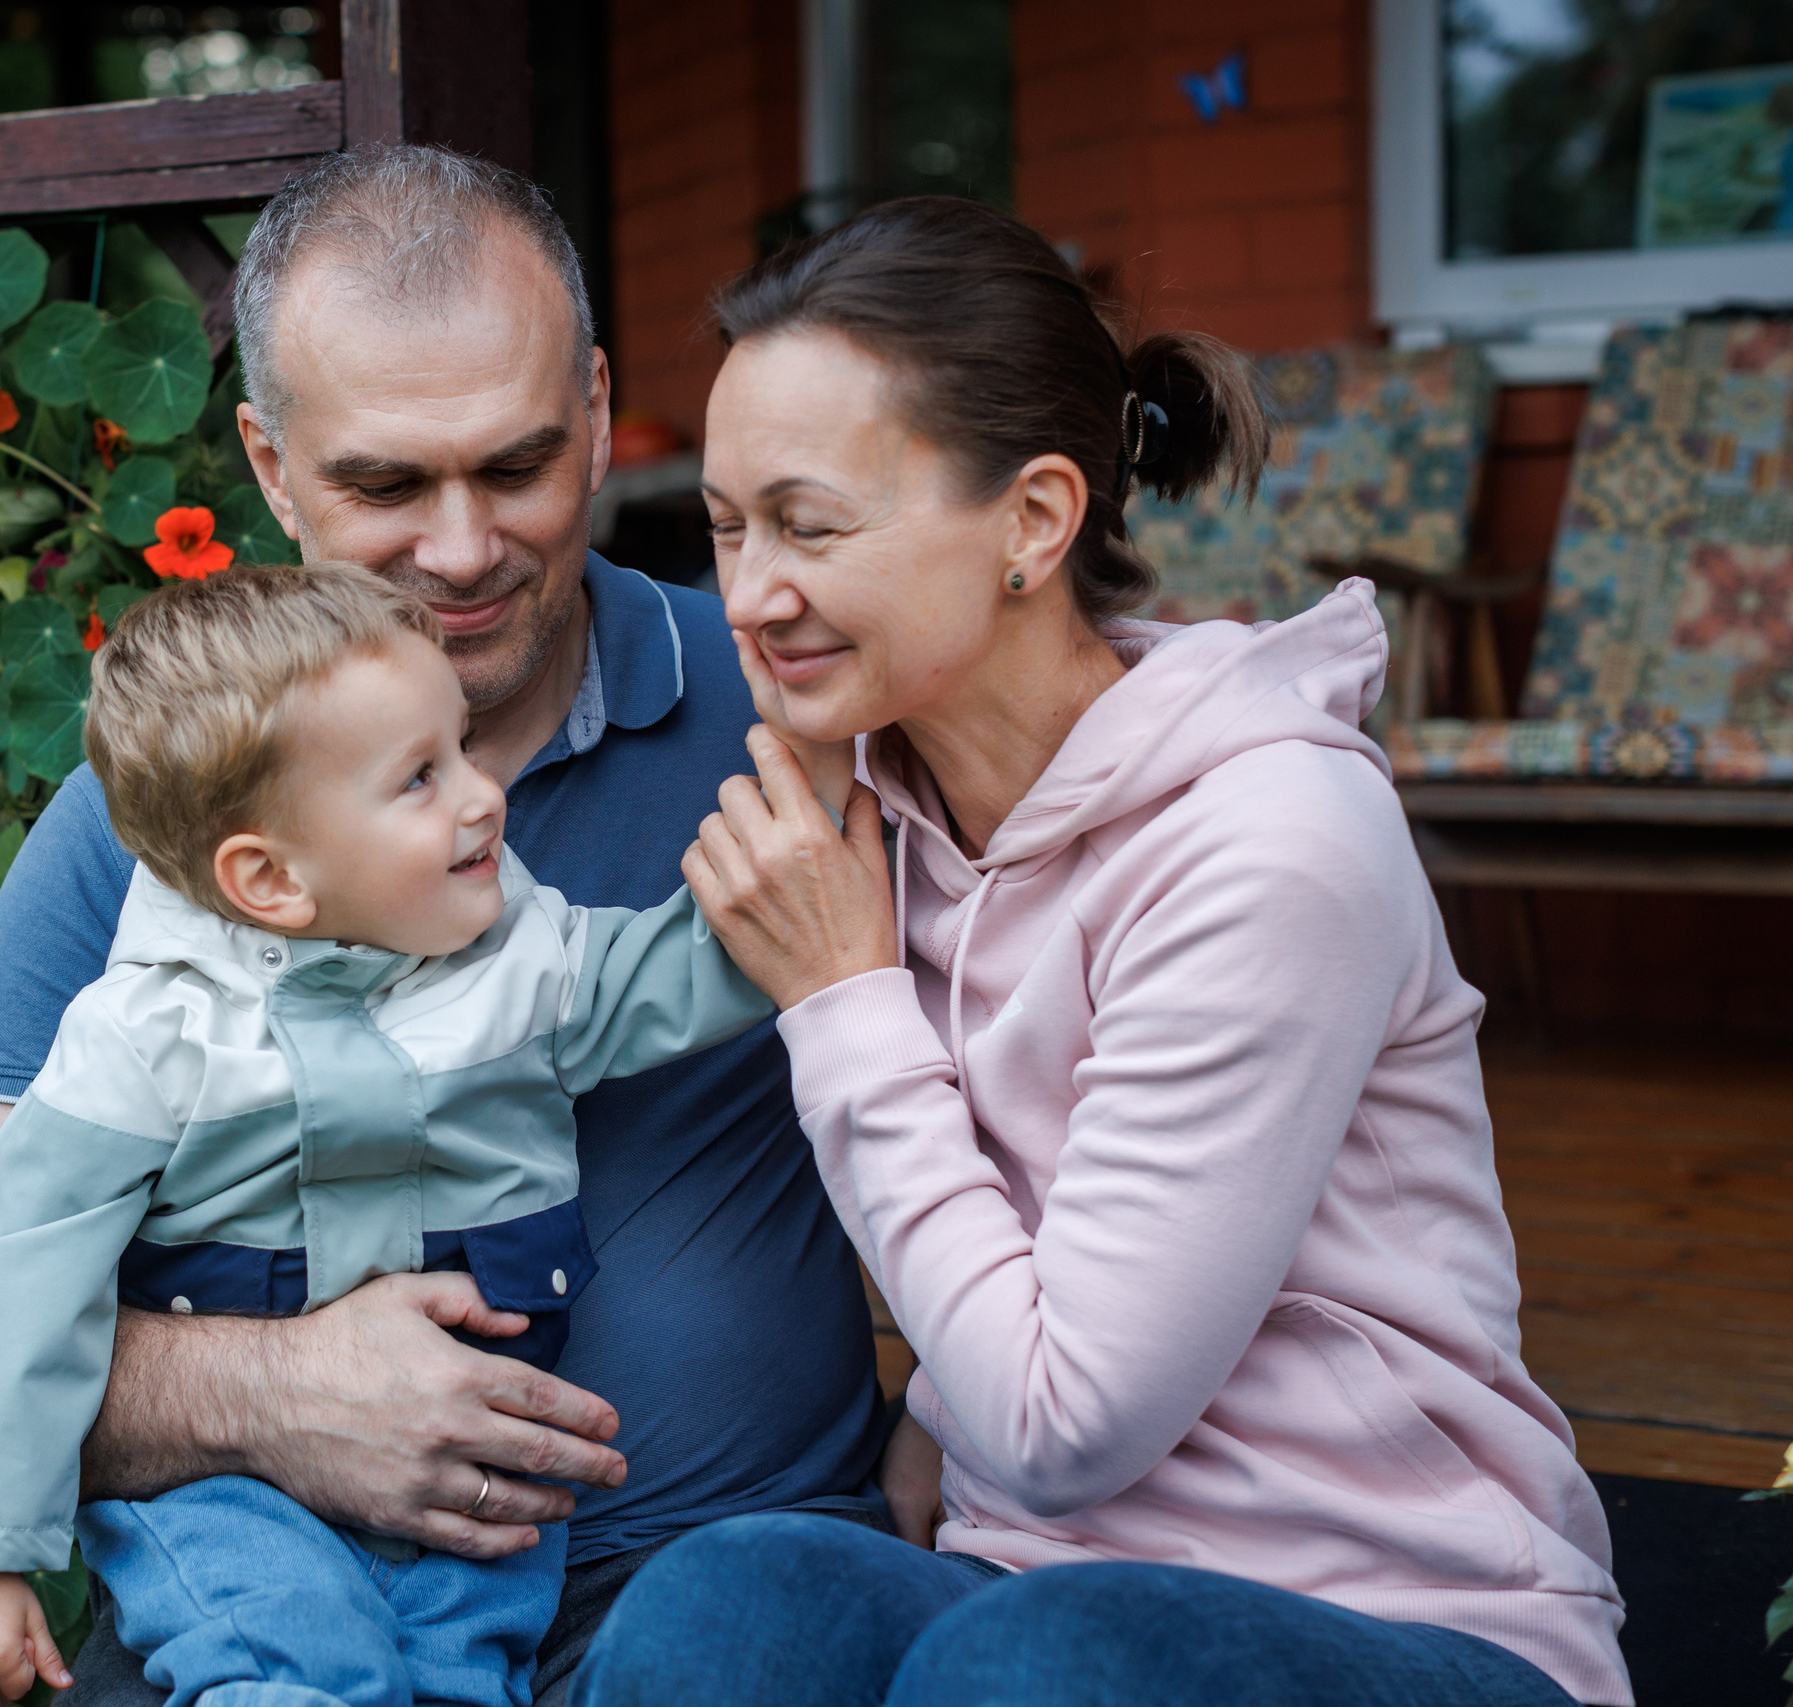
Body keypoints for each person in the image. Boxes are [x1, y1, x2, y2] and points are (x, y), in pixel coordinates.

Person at [572, 198, 1632, 1707]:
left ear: (1035, 519)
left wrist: (845, 999)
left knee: (1045, 1661)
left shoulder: (1269, 839)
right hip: (1032, 1583)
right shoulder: (877, 804)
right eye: (729, 530)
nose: (750, 593)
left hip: (1404, 1618)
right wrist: (937, 1401)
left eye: (811, 525)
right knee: (730, 1599)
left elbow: (1066, 1419)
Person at [0, 145, 892, 1707]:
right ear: (270, 466)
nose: (464, 547)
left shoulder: (793, 703)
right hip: (270, 1575)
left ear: (604, 408)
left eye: (516, 464)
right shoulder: (155, 826)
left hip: (719, 1588)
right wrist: (273, 1391)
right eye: (383, 484)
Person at [0, 563, 795, 1707]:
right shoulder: (148, 1032)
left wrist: (801, 871)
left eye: (464, 750)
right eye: (419, 779)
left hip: (478, 1504)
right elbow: (10, 1267)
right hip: (233, 1501)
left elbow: (668, 979)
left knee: (456, 1679)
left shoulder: (515, 952)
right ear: (270, 877)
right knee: (285, 1668)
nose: (482, 795)